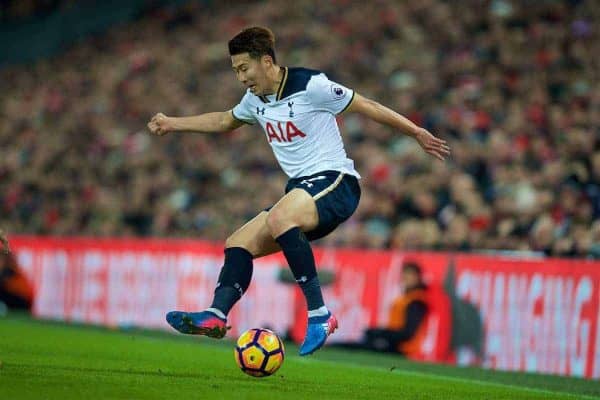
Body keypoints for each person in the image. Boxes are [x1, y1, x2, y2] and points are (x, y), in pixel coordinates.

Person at [147, 27, 450, 355]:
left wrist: (416, 131)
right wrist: (172, 123)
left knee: (280, 216)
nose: (240, 77)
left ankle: (320, 314)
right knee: (238, 243)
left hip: (336, 183)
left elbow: (367, 105)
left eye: (243, 68)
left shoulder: (311, 85)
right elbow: (223, 121)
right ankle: (216, 315)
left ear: (266, 62)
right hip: (301, 191)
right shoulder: (255, 100)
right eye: (235, 71)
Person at [364, 262, 429, 355]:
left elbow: (408, 333)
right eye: (405, 273)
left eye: (410, 274)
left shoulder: (416, 301)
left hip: (404, 349)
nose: (406, 277)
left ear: (418, 277)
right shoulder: (406, 298)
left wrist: (382, 333)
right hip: (395, 343)